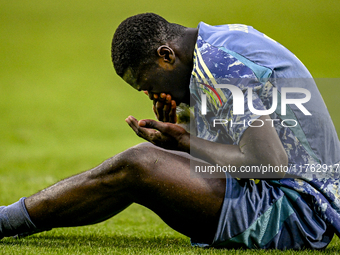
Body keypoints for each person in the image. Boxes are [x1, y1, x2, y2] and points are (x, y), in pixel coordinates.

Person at [1, 13, 339, 250]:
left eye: (147, 85)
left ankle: (5, 221)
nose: (152, 95)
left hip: (297, 216)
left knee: (139, 164)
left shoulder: (219, 66)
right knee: (146, 163)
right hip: (296, 197)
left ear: (166, 56)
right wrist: (185, 131)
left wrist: (185, 141)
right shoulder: (220, 41)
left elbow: (270, 164)